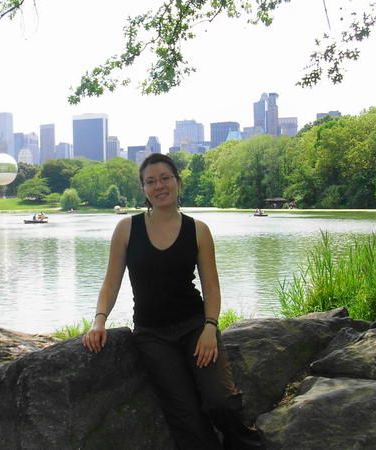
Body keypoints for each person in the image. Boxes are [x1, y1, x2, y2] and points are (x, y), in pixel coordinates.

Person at [82, 153, 265, 450]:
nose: (159, 186)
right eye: (151, 181)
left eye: (165, 178)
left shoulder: (198, 230)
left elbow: (211, 287)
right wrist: (99, 319)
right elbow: (111, 281)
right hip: (153, 336)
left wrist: (210, 327)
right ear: (143, 189)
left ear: (178, 182)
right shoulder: (127, 229)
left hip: (195, 327)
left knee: (221, 401)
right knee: (185, 415)